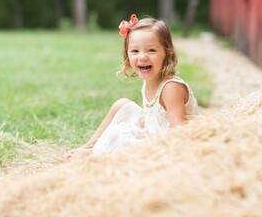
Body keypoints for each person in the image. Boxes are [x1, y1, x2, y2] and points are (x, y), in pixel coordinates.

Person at [63, 14, 199, 160]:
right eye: (135, 51)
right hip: (153, 133)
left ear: (167, 53)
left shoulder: (171, 87)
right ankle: (89, 146)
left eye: (151, 50)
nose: (142, 57)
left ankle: (94, 154)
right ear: (127, 55)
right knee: (121, 104)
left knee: (122, 137)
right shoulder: (149, 82)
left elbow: (179, 135)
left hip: (164, 146)